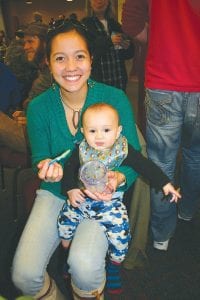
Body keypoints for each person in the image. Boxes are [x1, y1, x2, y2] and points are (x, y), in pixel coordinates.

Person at [11, 18, 141, 300]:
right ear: (48, 62)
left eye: (79, 56)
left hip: (100, 196)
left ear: (91, 59)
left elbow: (134, 158)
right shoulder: (38, 107)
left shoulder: (114, 98)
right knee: (24, 276)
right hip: (56, 193)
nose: (71, 67)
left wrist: (119, 177)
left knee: (84, 265)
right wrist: (45, 168)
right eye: (60, 58)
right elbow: (39, 157)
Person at [58, 102, 180, 295]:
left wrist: (165, 184)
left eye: (106, 130)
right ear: (83, 131)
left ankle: (114, 265)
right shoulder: (81, 149)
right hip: (81, 199)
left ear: (117, 131)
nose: (99, 136)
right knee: (64, 226)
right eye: (92, 130)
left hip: (109, 203)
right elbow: (69, 170)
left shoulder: (122, 149)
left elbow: (144, 166)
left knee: (121, 233)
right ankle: (66, 255)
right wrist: (71, 190)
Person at [122, 0, 200, 251]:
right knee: (195, 156)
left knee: (161, 162)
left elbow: (131, 24)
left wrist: (161, 39)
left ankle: (161, 234)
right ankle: (187, 210)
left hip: (163, 80)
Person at [0, 23, 51, 154]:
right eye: (25, 42)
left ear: (45, 43)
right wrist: (26, 114)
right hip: (32, 128)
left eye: (30, 42)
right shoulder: (43, 71)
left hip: (40, 139)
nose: (25, 47)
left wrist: (32, 118)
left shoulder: (53, 74)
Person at [81, 0, 134, 91]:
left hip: (118, 81)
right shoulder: (85, 25)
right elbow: (88, 53)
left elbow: (128, 54)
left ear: (109, 2)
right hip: (98, 83)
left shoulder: (115, 24)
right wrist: (109, 41)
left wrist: (127, 46)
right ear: (90, 3)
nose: (99, 1)